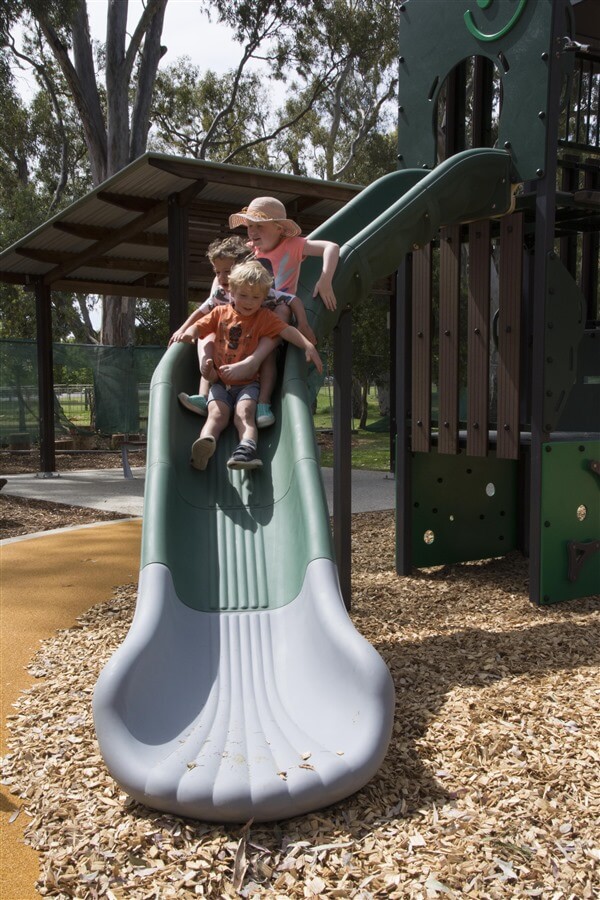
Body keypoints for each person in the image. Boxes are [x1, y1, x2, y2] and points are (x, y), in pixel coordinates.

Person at [177, 260, 323, 471]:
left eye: (256, 297)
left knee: (244, 414)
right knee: (216, 415)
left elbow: (287, 331)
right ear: (232, 293)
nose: (249, 301)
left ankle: (246, 450)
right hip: (219, 382)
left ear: (264, 298)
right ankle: (205, 444)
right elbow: (200, 326)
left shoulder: (264, 317)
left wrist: (308, 345)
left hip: (248, 384)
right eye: (243, 295)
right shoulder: (220, 313)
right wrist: (188, 333)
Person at [170, 235, 315, 428]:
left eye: (227, 272)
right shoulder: (222, 293)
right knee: (207, 336)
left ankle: (263, 403)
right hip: (229, 346)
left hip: (257, 340)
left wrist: (303, 325)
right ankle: (204, 396)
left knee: (268, 357)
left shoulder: (260, 291)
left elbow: (292, 301)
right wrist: (183, 330)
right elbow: (201, 312)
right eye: (217, 272)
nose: (221, 278)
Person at [229, 196, 340, 310]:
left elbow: (331, 247)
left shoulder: (292, 245)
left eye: (259, 225)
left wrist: (325, 280)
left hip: (280, 305)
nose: (252, 231)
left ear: (279, 228)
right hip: (251, 305)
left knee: (282, 310)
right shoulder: (248, 250)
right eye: (250, 225)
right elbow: (225, 271)